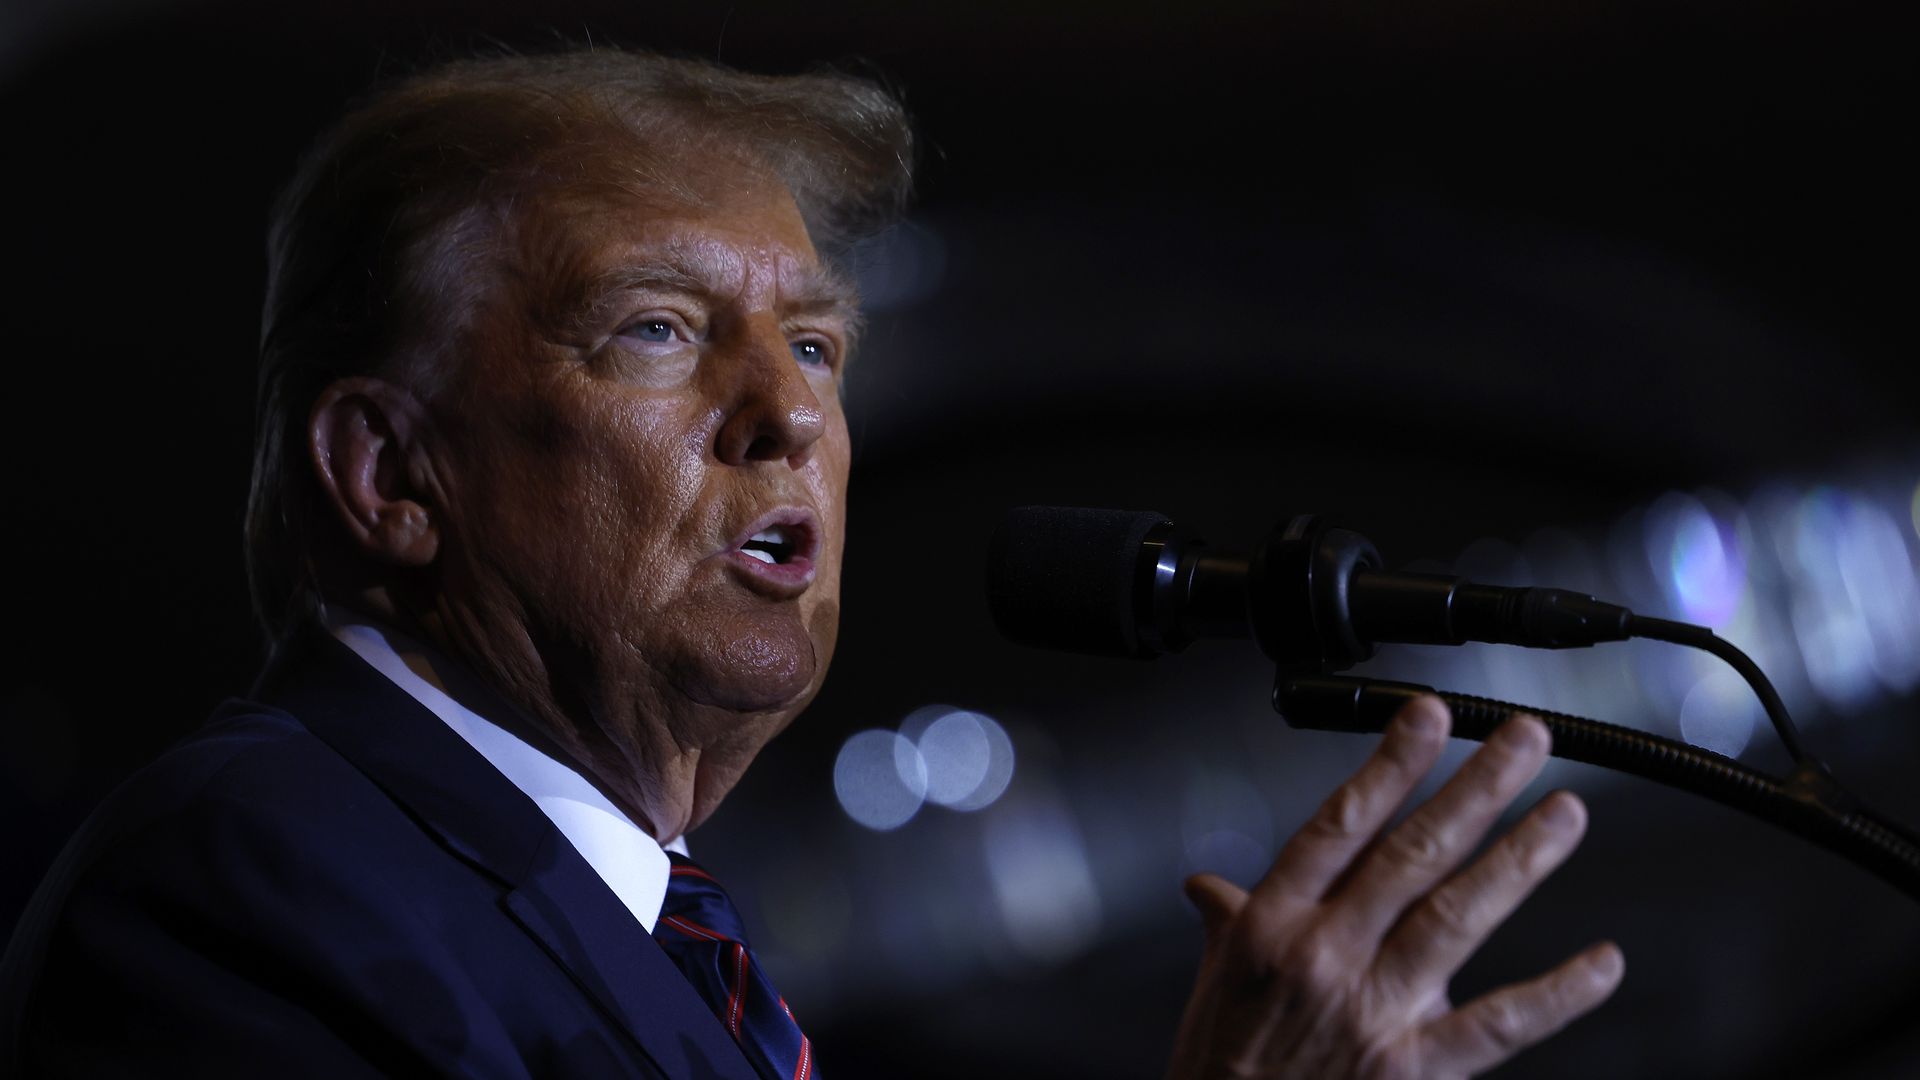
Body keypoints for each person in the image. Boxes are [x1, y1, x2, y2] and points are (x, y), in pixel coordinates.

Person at [0, 49, 1623, 1078]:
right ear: (389, 474)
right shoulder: (254, 881)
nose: (789, 412)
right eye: (656, 330)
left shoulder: (661, 941)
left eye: (821, 348)